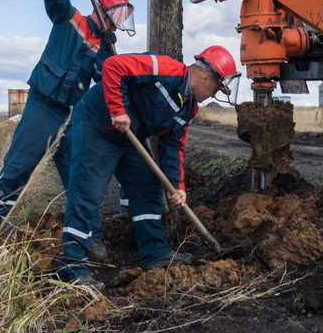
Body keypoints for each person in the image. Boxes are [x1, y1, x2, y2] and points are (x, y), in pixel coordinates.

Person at [0, 0, 135, 255]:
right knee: (16, 171)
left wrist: (114, 54)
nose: (115, 26)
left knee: (79, 177)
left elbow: (108, 78)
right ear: (101, 10)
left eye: (119, 23)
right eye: (114, 19)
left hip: (72, 117)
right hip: (42, 110)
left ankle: (90, 236)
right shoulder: (69, 19)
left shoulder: (103, 46)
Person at [57, 46, 241, 291]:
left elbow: (173, 147)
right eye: (216, 89)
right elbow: (113, 66)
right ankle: (72, 267)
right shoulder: (164, 68)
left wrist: (176, 187)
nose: (213, 95)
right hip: (98, 123)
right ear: (205, 78)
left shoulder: (189, 109)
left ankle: (155, 253)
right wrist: (118, 109)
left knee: (147, 187)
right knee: (87, 193)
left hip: (129, 135)